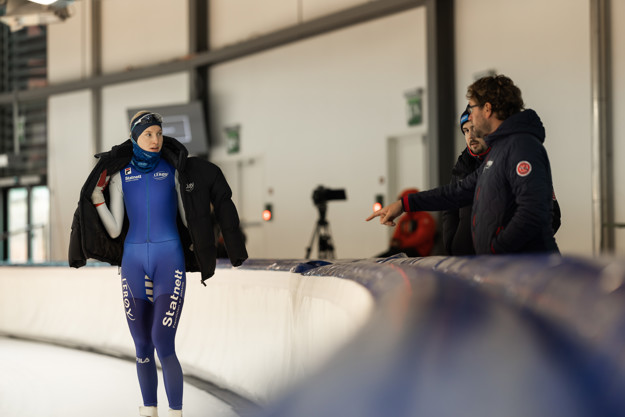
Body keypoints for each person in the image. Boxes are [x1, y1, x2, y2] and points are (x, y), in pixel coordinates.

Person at [69, 111, 248, 417]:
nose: (155, 140)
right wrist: (98, 197)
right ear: (135, 138)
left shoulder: (173, 171)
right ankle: (148, 411)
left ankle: (175, 413)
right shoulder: (121, 176)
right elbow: (114, 230)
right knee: (141, 345)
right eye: (148, 134)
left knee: (162, 340)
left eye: (159, 133)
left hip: (169, 258)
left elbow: (187, 217)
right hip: (133, 261)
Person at [367, 75, 559, 254]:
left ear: (487, 109)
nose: (471, 116)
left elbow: (533, 213)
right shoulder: (501, 150)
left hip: (527, 271)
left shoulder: (521, 146)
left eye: (472, 108)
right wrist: (405, 204)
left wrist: (494, 249)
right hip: (505, 268)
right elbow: (458, 192)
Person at [441, 110, 491, 255]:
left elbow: (551, 215)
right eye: (466, 130)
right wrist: (452, 244)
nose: (471, 135)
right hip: (465, 259)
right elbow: (449, 207)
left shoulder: (508, 159)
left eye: (475, 128)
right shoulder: (462, 165)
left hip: (506, 262)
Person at [377, 188, 436, 257]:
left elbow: (419, 239)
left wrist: (400, 243)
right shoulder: (404, 218)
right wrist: (396, 243)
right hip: (402, 250)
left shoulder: (425, 218)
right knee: (381, 258)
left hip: (418, 253)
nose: (403, 204)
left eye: (405, 201)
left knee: (386, 258)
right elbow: (395, 238)